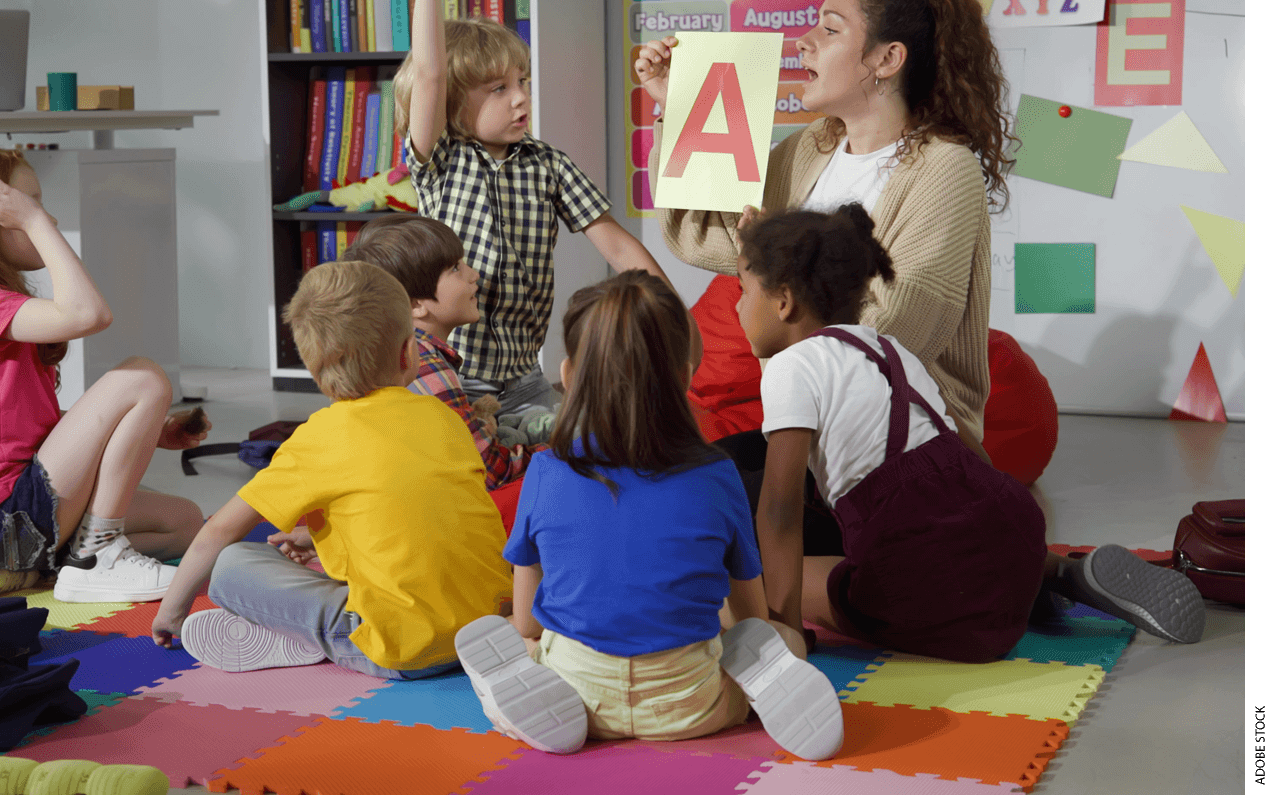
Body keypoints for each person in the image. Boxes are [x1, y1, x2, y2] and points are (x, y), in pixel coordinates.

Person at [734, 207, 1205, 660]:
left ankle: (1010, 590)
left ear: (783, 300)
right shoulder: (888, 349)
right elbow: (967, 449)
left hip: (931, 587)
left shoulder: (790, 368)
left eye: (742, 291)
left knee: (779, 576)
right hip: (1011, 530)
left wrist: (786, 631)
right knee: (955, 537)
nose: (737, 307)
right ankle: (1054, 572)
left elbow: (778, 513)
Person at [453, 271, 844, 760]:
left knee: (526, 640)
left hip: (579, 695)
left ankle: (518, 687)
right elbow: (751, 619)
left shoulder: (547, 470)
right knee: (781, 640)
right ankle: (754, 696)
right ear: (684, 377)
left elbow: (531, 619)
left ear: (569, 375)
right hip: (692, 705)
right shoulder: (717, 474)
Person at [638, 0, 1013, 455]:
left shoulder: (945, 168)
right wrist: (677, 105)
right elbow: (703, 235)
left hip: (898, 435)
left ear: (886, 59)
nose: (803, 40)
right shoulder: (812, 146)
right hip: (806, 421)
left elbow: (892, 334)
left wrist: (773, 267)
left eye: (830, 29)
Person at [396, 0, 695, 416]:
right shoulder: (441, 161)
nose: (520, 98)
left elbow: (622, 251)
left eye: (522, 82)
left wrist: (678, 320)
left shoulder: (548, 164)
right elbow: (429, 74)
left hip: (525, 379)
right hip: (447, 374)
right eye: (497, 89)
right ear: (450, 103)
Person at [150, 260, 513, 680]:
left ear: (313, 367)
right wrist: (323, 537)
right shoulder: (442, 415)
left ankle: (301, 637)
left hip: (405, 650)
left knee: (233, 563)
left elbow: (217, 531)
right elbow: (427, 509)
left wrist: (171, 613)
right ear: (407, 352)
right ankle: (300, 632)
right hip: (491, 624)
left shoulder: (319, 437)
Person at [0, 149, 206, 603]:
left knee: (185, 522)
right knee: (143, 377)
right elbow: (89, 313)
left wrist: (145, 431)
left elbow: (21, 421)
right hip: (5, 515)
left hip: (18, 515)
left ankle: (49, 566)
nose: (46, 215)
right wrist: (39, 225)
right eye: (27, 206)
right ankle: (95, 559)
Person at [342, 213, 539, 491]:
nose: (474, 274)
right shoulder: (426, 365)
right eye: (456, 269)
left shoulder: (382, 351)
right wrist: (553, 453)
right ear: (415, 305)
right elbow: (488, 470)